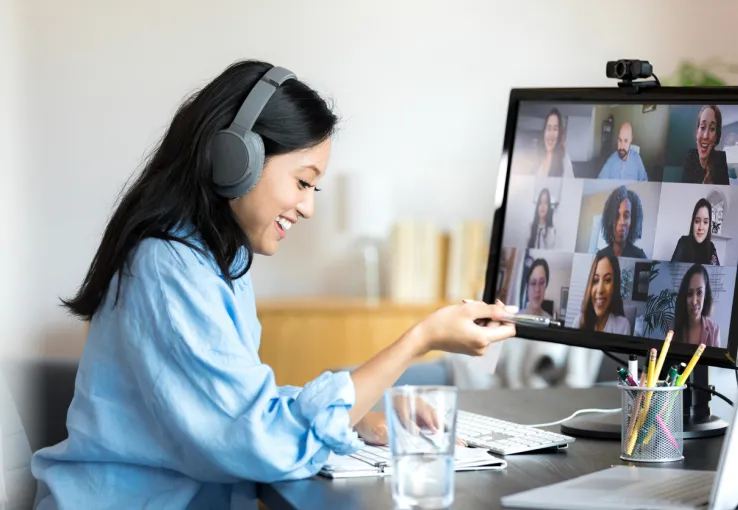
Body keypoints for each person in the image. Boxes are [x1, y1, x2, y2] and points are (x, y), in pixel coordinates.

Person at [29, 60, 517, 510]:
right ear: (234, 158)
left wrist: (356, 419)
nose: (307, 207)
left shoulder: (217, 261)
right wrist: (421, 338)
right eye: (303, 182)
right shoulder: (167, 266)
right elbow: (256, 441)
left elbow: (239, 404)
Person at [573, 253, 630, 335]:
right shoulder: (578, 322)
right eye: (595, 280)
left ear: (615, 286)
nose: (600, 290)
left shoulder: (623, 326)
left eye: (607, 280)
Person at [672, 264, 721, 348]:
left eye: (700, 293)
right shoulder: (673, 327)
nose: (694, 301)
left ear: (706, 294)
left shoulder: (714, 331)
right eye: (689, 294)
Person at [682, 105, 729, 185]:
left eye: (712, 129)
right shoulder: (690, 155)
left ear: (716, 136)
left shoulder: (721, 158)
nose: (705, 136)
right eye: (703, 127)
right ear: (697, 133)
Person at [596, 185, 647, 259]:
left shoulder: (639, 256)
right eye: (616, 215)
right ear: (609, 219)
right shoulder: (601, 255)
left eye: (626, 216)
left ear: (633, 221)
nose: (621, 222)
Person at [671, 198, 720, 265]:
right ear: (692, 223)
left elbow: (716, 273)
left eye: (705, 222)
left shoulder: (711, 247)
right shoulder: (683, 242)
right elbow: (672, 270)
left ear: (709, 225)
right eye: (697, 221)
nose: (700, 227)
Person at [534, 108, 574, 178]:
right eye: (549, 128)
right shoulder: (537, 158)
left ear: (559, 134)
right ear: (544, 132)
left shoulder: (564, 160)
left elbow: (571, 187)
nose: (551, 134)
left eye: (555, 129)